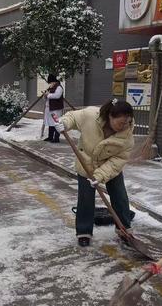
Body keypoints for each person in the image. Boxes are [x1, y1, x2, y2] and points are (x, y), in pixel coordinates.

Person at [55, 99, 134, 247]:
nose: (124, 126)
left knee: (120, 196)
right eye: (121, 123)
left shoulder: (127, 137)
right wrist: (64, 123)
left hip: (110, 167)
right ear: (109, 116)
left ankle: (124, 229)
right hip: (86, 163)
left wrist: (99, 176)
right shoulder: (91, 116)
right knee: (85, 197)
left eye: (128, 122)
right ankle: (84, 232)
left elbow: (118, 160)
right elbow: (72, 117)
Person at [43, 74, 64, 143]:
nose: (50, 84)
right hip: (49, 109)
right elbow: (46, 97)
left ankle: (56, 138)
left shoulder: (59, 87)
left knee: (56, 123)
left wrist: (48, 95)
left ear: (54, 81)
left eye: (51, 82)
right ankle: (50, 137)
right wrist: (45, 95)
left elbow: (57, 96)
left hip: (56, 109)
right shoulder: (50, 88)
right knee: (50, 123)